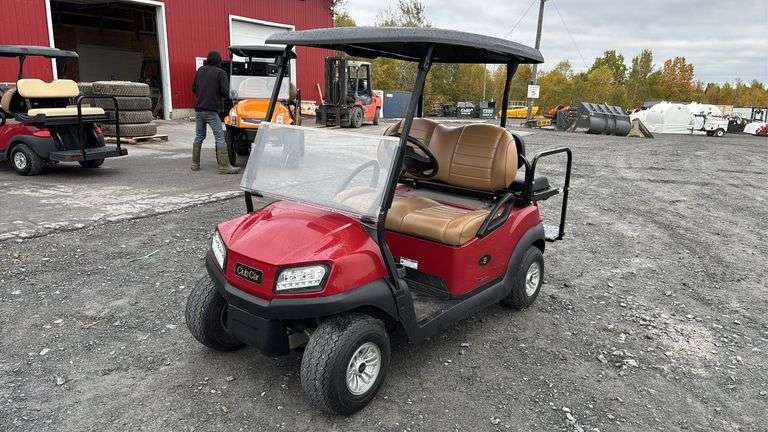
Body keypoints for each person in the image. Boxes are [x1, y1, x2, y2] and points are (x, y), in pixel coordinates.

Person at [191, 51, 240, 174]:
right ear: (218, 61)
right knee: (220, 137)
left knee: (199, 136)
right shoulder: (221, 73)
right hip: (212, 110)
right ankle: (224, 166)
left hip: (199, 110)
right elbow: (224, 92)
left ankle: (195, 164)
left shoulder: (200, 71)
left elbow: (193, 88)